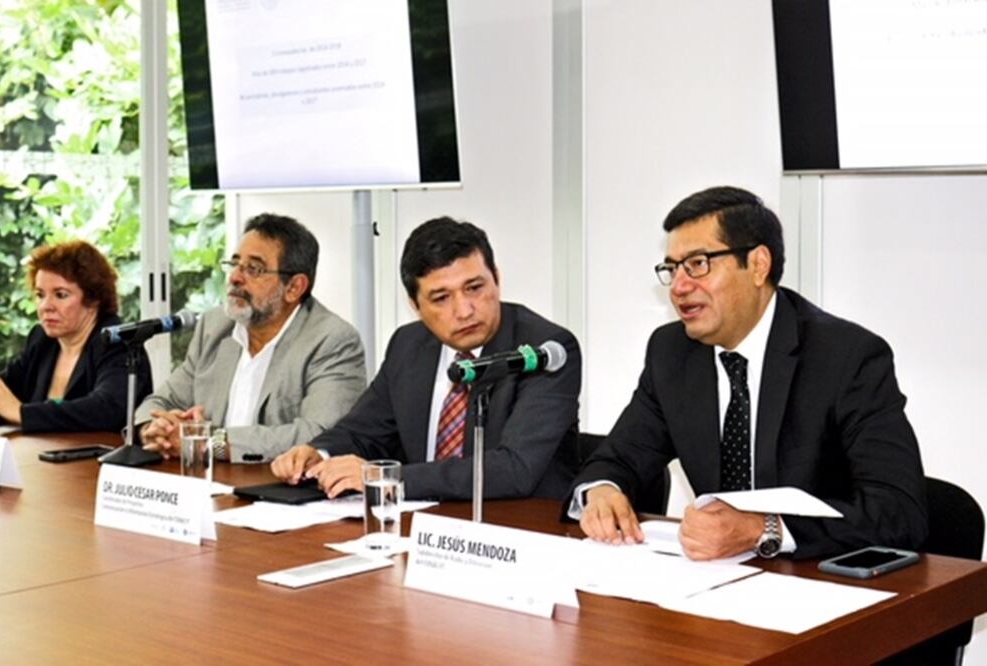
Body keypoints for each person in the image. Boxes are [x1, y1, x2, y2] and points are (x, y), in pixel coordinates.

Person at [571, 186, 928, 561]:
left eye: (698, 263)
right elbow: (618, 458)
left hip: (819, 582)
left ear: (758, 265)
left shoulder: (845, 357)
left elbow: (899, 511)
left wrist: (763, 528)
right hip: (714, 582)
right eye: (672, 268)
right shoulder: (672, 352)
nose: (678, 286)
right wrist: (602, 491)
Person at [271, 217, 582, 501]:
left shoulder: (545, 350)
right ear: (415, 304)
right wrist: (318, 453)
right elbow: (364, 430)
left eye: (474, 288)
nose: (463, 310)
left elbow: (514, 469)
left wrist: (386, 478)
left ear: (496, 280)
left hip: (518, 527)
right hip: (423, 528)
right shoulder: (409, 344)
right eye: (441, 298)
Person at [136, 213, 366, 463]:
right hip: (210, 485)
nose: (235, 277)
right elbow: (160, 401)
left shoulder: (331, 340)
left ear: (294, 288)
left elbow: (320, 433)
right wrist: (155, 429)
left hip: (280, 492)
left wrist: (211, 444)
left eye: (254, 269)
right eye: (234, 264)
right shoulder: (215, 327)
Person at [0, 240, 150, 433]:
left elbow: (107, 409)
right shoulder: (42, 340)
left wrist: (20, 413)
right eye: (40, 295)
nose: (45, 306)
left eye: (60, 295)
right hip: (42, 457)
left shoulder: (118, 340)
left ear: (93, 299)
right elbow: (2, 392)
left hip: (98, 459)